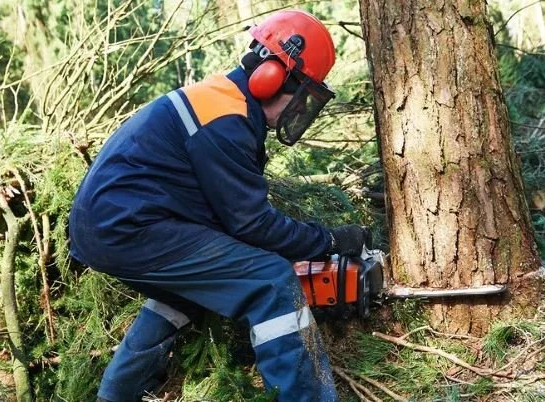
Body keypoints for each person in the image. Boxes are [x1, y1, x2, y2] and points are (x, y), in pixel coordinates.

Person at [68, 9, 367, 402]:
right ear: (273, 77)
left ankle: (115, 395)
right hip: (130, 227)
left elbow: (231, 222)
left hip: (109, 227)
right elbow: (252, 224)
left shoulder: (222, 103)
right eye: (303, 94)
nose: (299, 110)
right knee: (270, 281)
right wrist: (328, 239)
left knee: (182, 295)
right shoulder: (224, 118)